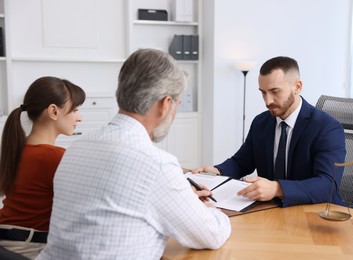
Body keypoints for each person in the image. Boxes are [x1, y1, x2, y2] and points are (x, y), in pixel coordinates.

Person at [37, 48, 231, 259]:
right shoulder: (156, 165)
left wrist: (181, 198)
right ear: (165, 104)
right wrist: (212, 211)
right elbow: (210, 235)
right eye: (177, 103)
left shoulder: (76, 149)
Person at [194, 56, 346, 207]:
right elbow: (241, 162)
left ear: (297, 87)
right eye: (263, 93)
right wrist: (217, 172)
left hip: (316, 213)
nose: (268, 101)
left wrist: (277, 188)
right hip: (271, 210)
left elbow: (328, 186)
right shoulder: (261, 122)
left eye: (275, 92)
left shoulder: (327, 128)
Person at [0, 76, 86, 259]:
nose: (79, 117)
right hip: (28, 248)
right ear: (53, 111)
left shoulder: (18, 148)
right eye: (75, 110)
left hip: (7, 242)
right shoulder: (53, 157)